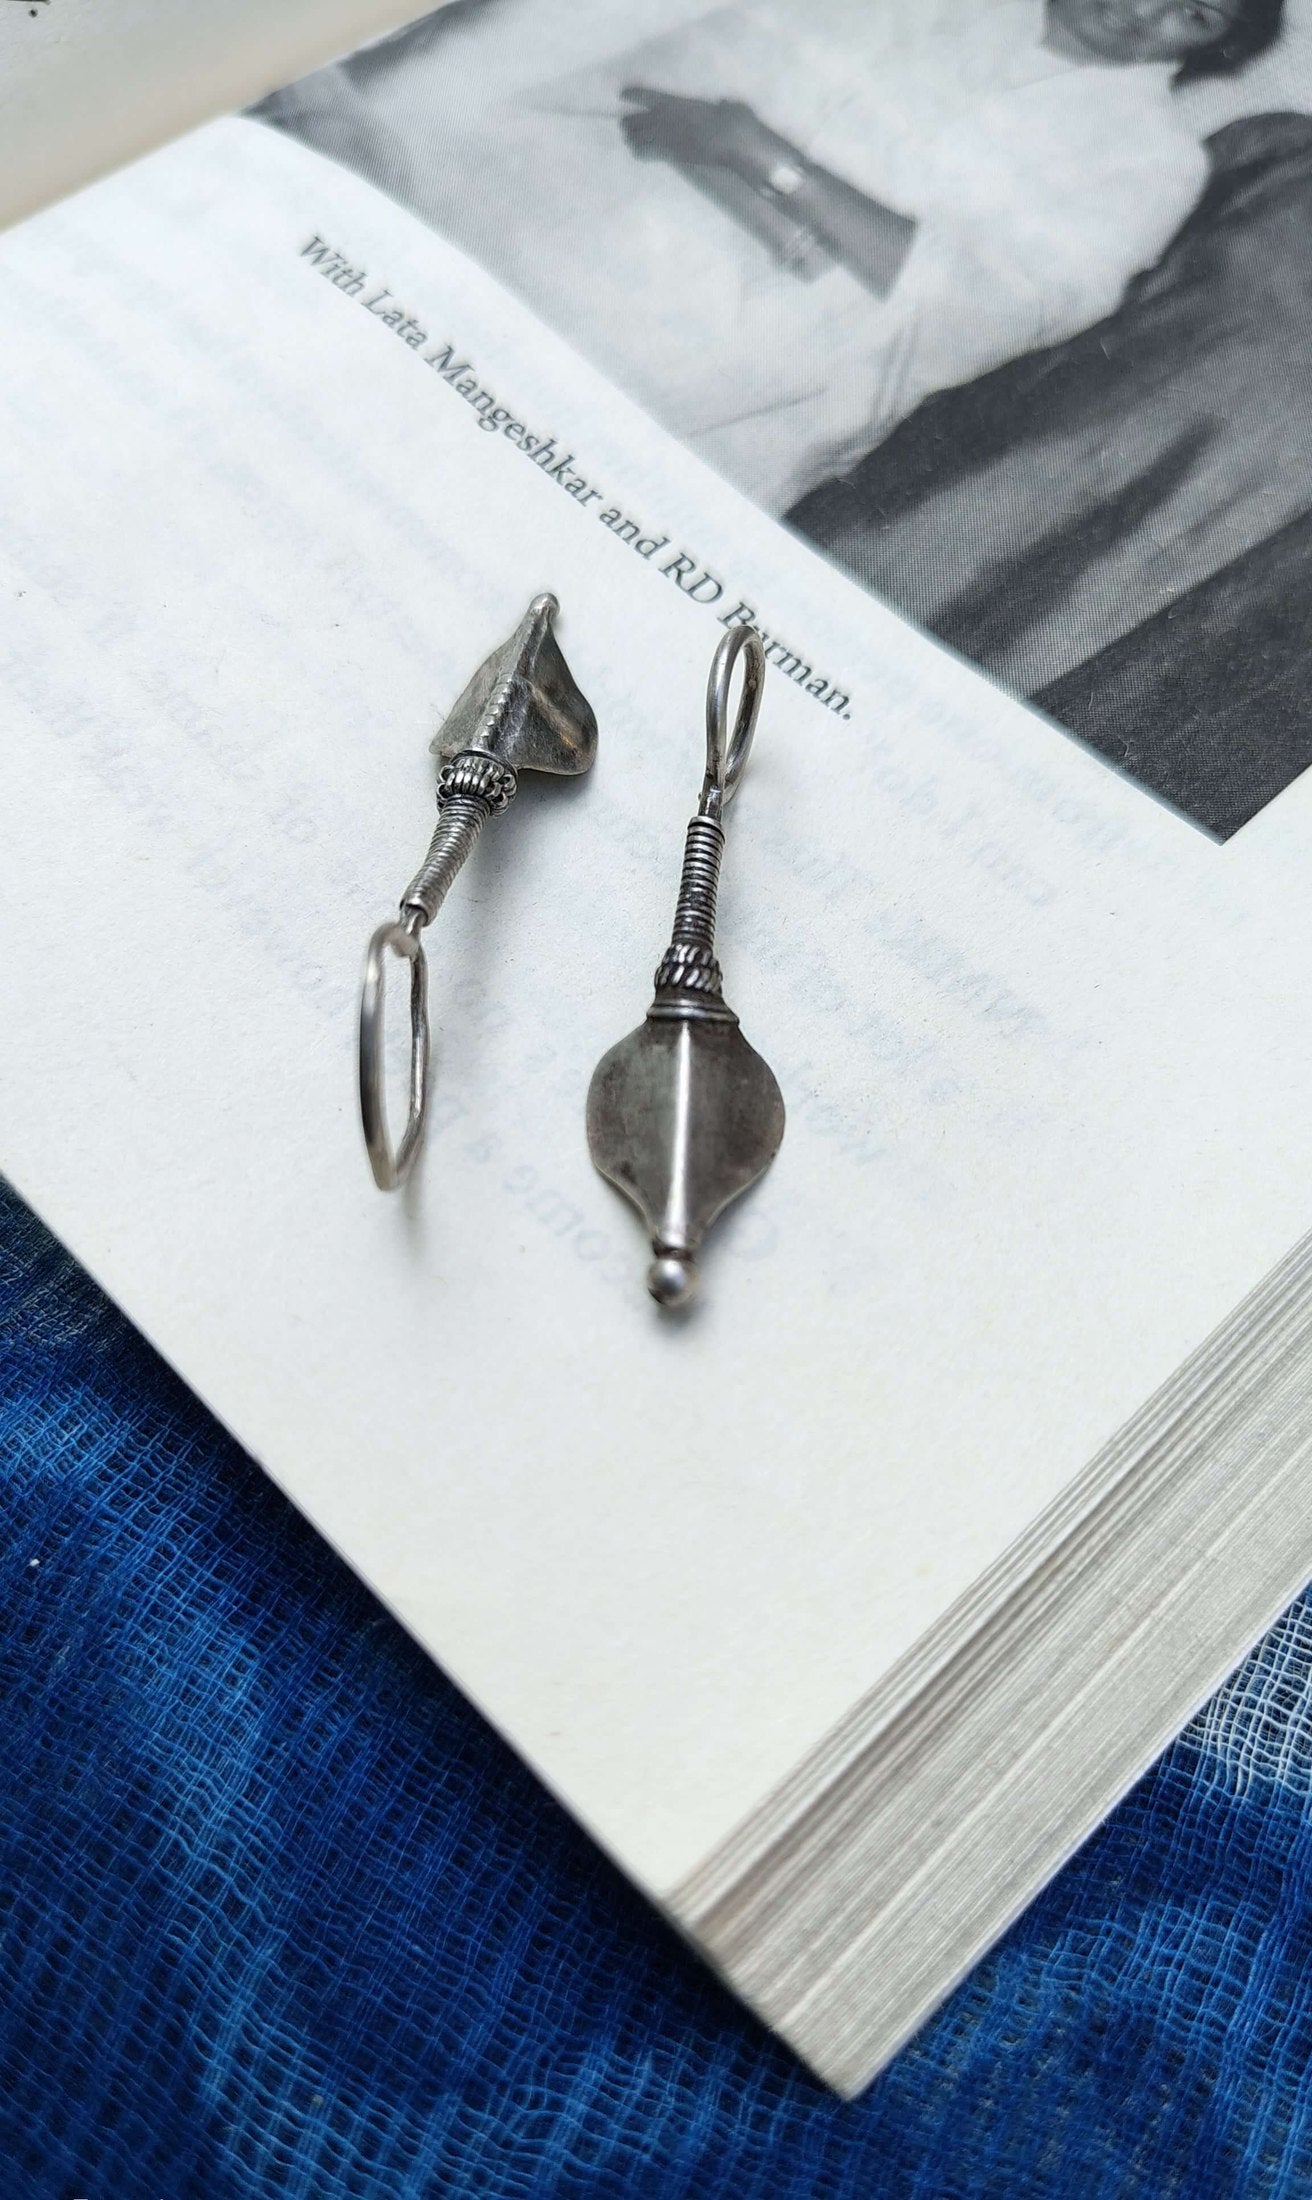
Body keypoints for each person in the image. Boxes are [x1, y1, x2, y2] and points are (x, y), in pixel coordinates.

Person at [262, 1, 1284, 512]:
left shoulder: (1146, 162)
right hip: (564, 238)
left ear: (1204, 49)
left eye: (1192, 13)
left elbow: (995, 311)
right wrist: (810, 216)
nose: (1143, 11)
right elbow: (660, 95)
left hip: (735, 403)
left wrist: (761, 155)